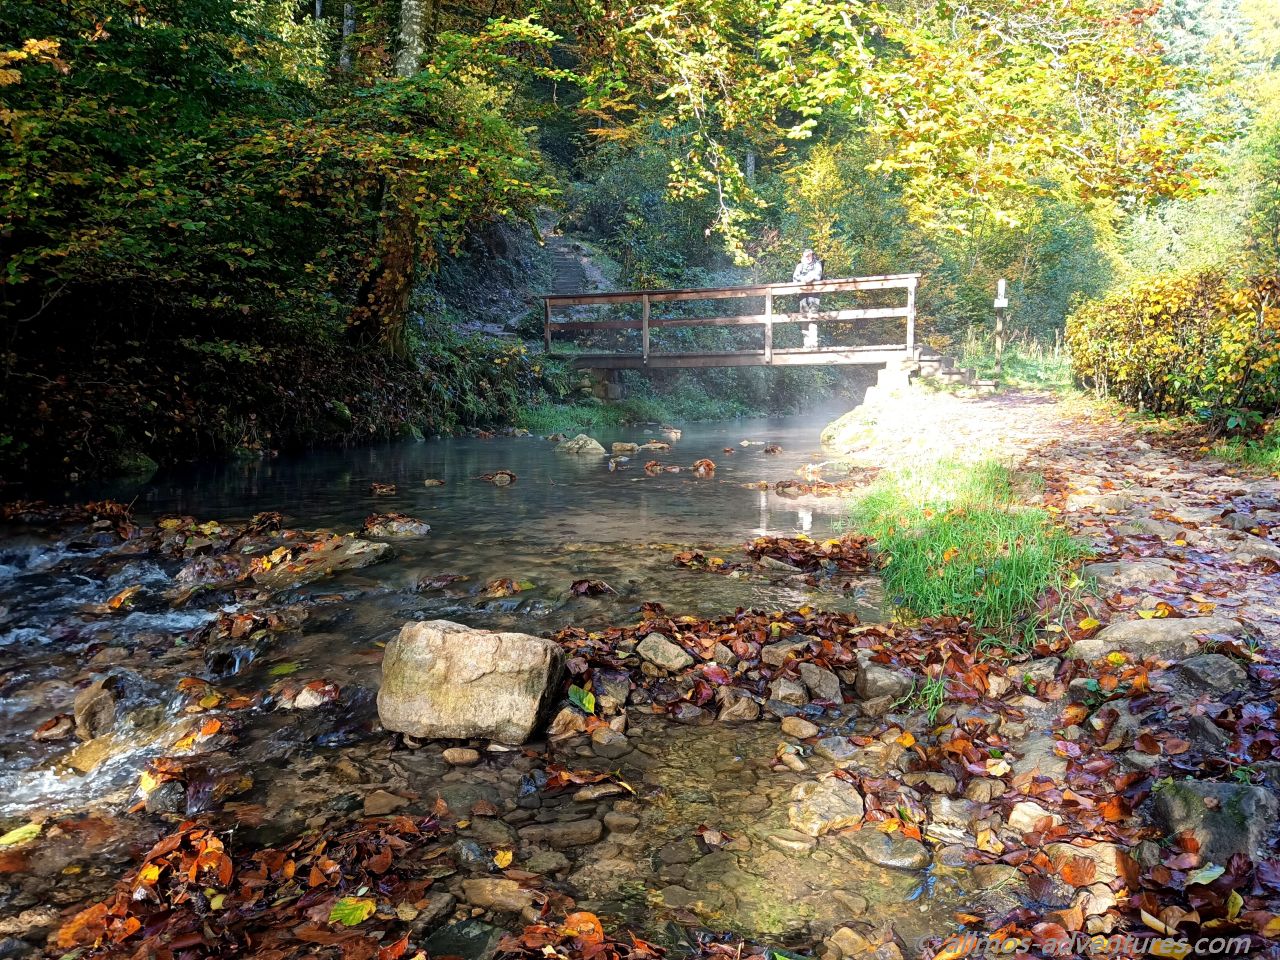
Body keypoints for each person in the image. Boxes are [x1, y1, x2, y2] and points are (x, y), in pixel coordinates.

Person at [792, 248, 823, 348]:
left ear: (812, 256)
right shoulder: (800, 265)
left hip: (815, 294)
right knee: (804, 316)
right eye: (806, 256)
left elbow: (818, 275)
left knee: (813, 316)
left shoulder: (817, 264)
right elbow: (795, 277)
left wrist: (810, 278)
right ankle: (806, 343)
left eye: (810, 255)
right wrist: (805, 279)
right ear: (803, 256)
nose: (808, 258)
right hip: (803, 294)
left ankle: (813, 342)